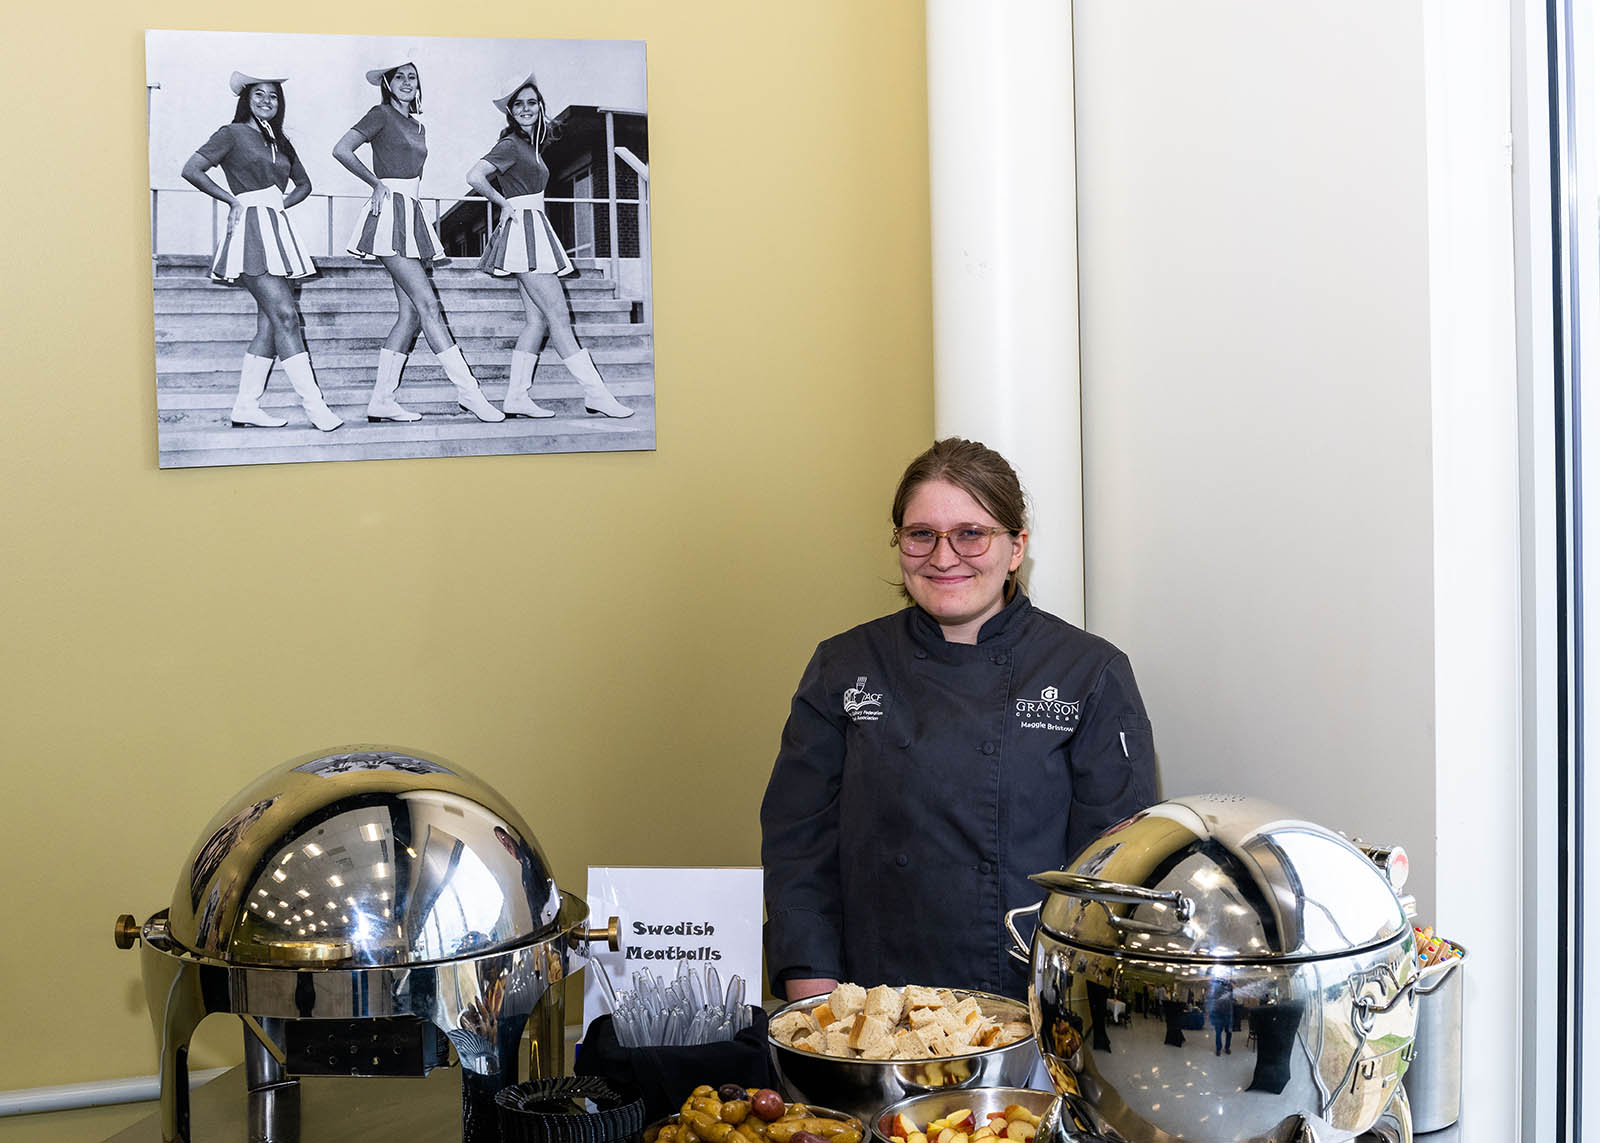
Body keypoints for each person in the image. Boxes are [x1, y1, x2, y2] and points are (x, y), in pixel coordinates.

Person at [760, 438, 1158, 1002]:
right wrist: (816, 998)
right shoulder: (844, 666)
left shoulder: (1089, 672)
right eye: (921, 535)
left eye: (971, 533)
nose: (944, 558)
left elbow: (1116, 866)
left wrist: (1077, 1016)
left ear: (1016, 547)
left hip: (1032, 1005)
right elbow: (798, 840)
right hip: (869, 1004)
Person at [333, 52, 505, 423]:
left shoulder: (418, 126)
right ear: (388, 85)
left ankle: (381, 400)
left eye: (412, 77)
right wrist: (375, 183)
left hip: (411, 212)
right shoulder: (380, 115)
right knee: (427, 304)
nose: (407, 83)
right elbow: (341, 149)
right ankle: (470, 394)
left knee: (411, 313)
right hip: (388, 212)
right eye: (399, 78)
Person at [465, 71, 634, 419]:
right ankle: (596, 394)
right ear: (510, 112)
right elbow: (474, 176)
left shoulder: (531, 146)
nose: (526, 109)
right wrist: (504, 204)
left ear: (540, 106)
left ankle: (516, 397)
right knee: (558, 316)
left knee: (538, 321)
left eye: (531, 102)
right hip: (523, 230)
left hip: (535, 228)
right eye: (519, 105)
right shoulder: (510, 145)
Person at [181, 71, 341, 432]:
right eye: (259, 95)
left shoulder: (279, 140)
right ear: (245, 99)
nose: (267, 101)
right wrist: (232, 201)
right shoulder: (231, 134)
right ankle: (315, 408)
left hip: (277, 228)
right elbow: (192, 169)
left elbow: (304, 184)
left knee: (270, 324)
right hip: (250, 228)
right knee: (285, 315)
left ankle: (246, 407)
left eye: (273, 96)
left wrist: (280, 204)